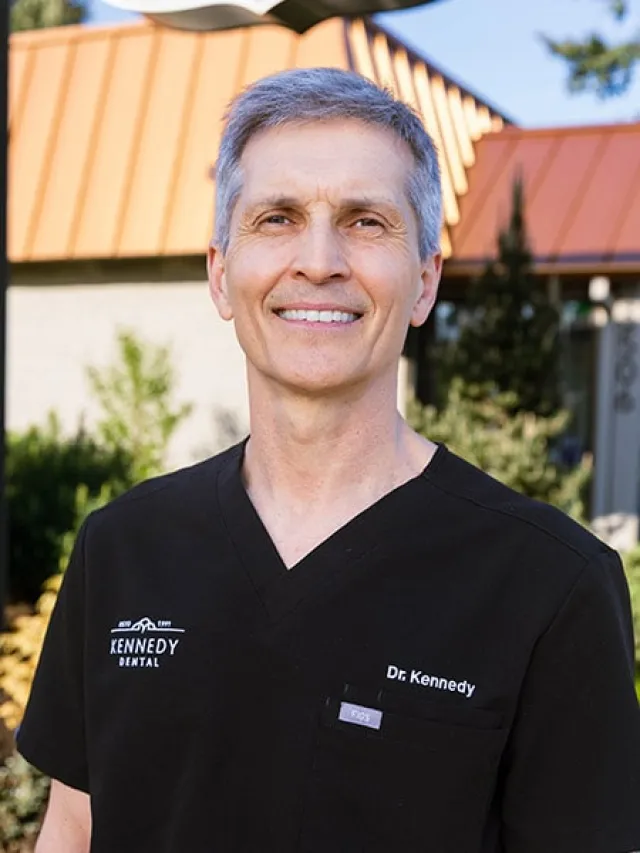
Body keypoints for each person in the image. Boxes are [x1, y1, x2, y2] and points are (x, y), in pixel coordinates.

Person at [17, 67, 640, 853]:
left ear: (423, 283)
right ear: (220, 273)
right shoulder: (121, 547)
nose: (318, 260)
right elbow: (73, 829)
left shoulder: (551, 585)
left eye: (365, 221)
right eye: (277, 217)